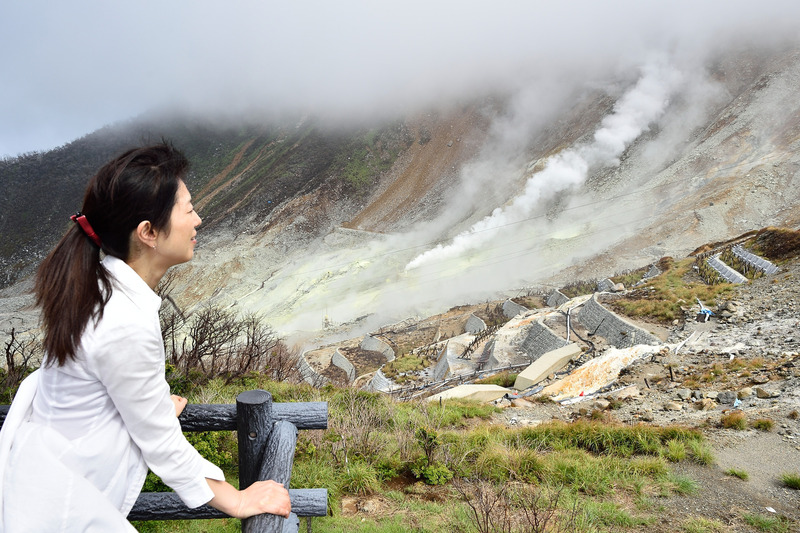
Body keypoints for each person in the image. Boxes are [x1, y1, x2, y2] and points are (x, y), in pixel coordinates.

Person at [0, 143, 291, 531]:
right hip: (62, 505)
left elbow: (99, 389)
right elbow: (161, 443)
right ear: (148, 232)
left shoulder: (98, 284)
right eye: (188, 209)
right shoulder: (124, 322)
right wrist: (237, 499)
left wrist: (150, 406)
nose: (198, 220)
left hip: (42, 476)